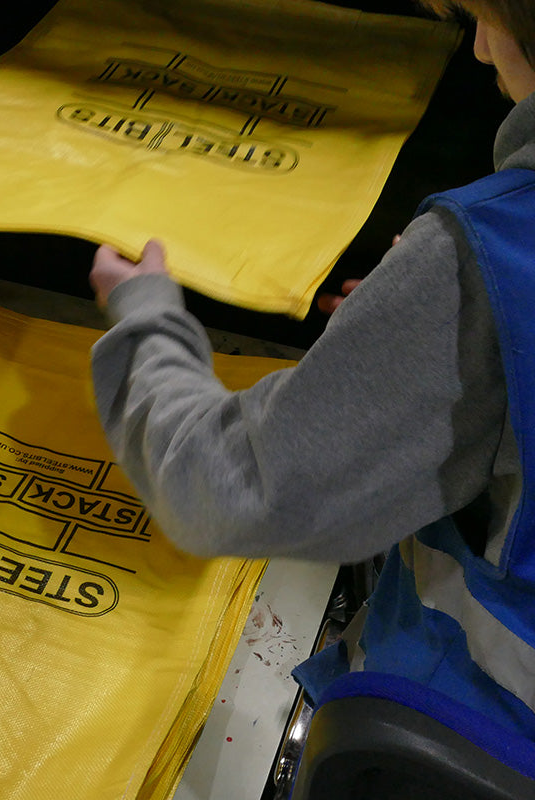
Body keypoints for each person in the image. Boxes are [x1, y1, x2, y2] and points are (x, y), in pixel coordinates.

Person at [88, 0, 535, 742]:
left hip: (485, 733)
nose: (482, 51)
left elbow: (232, 488)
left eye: (492, 16)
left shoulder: (491, 254)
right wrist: (415, 329)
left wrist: (146, 322)